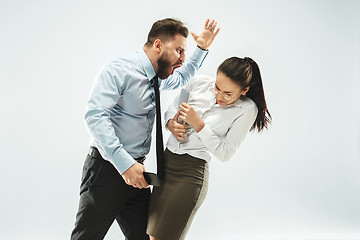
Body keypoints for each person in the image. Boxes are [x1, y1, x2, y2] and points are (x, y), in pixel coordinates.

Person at [70, 18, 220, 240]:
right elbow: (95, 117)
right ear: (158, 45)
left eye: (184, 52)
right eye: (178, 50)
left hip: (137, 174)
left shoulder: (156, 78)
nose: (182, 57)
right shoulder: (119, 70)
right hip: (106, 171)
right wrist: (125, 165)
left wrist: (202, 48)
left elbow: (182, 76)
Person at [147, 56, 271, 240]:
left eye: (228, 94)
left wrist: (199, 125)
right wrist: (171, 123)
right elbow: (173, 108)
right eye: (217, 87)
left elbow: (225, 153)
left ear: (244, 90)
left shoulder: (247, 109)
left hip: (191, 173)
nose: (219, 96)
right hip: (166, 164)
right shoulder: (199, 82)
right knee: (153, 235)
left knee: (166, 237)